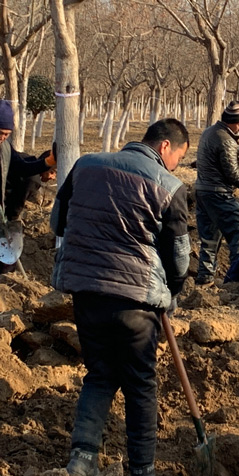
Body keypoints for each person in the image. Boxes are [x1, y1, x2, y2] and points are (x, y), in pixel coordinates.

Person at [50, 119, 191, 476]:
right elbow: (178, 256)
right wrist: (170, 292)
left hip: (85, 291)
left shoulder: (85, 165)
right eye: (179, 156)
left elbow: (57, 223)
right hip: (135, 301)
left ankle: (82, 460)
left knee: (99, 373)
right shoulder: (170, 186)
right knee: (141, 383)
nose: (176, 164)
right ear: (164, 147)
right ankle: (141, 469)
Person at [195, 100, 239, 285]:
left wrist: (237, 153)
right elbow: (232, 173)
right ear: (231, 122)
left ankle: (204, 277)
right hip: (219, 193)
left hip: (202, 191)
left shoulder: (209, 132)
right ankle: (237, 277)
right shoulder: (225, 140)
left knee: (210, 237)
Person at [0, 99, 56, 270]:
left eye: (6, 134)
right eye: (0, 132)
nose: (2, 138)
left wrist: (49, 161)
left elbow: (23, 168)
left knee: (5, 264)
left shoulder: (5, 148)